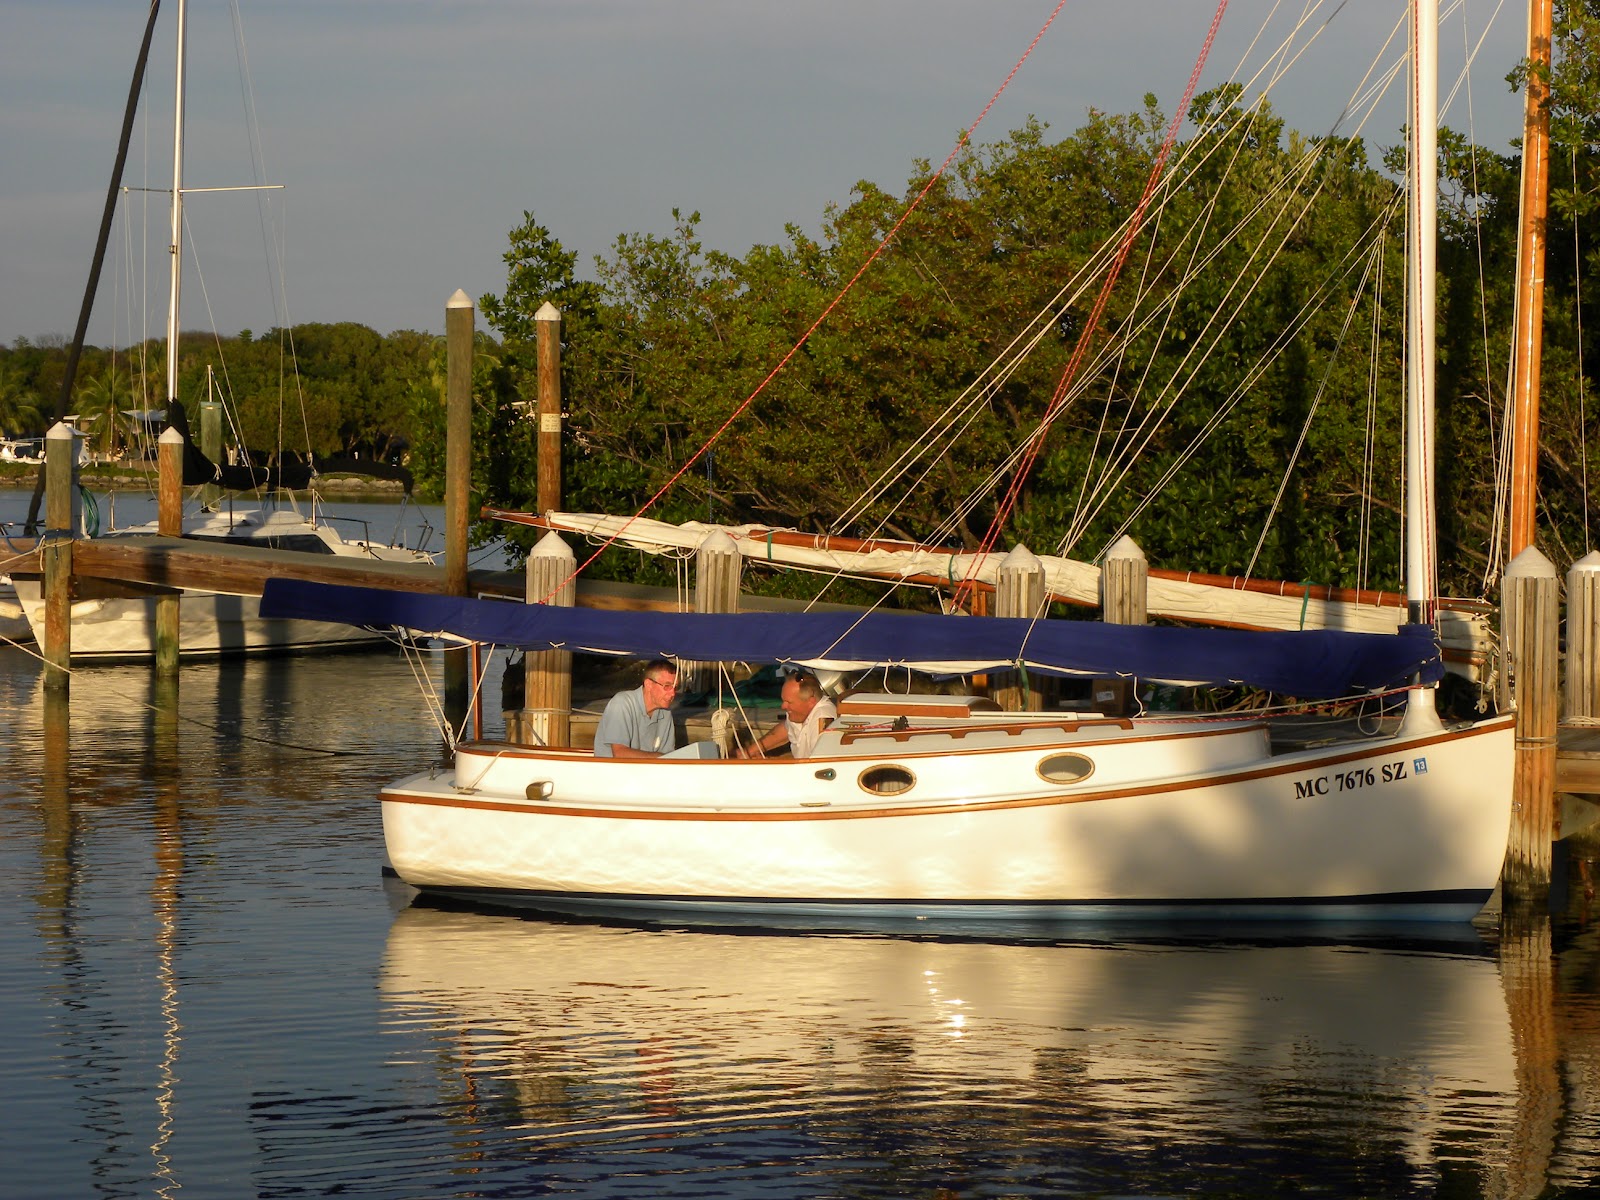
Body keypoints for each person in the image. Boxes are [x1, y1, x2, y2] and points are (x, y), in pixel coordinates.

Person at [737, 671, 837, 759]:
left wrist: (769, 762)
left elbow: (817, 764)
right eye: (783, 700)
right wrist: (749, 752)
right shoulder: (798, 715)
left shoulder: (823, 718)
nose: (783, 706)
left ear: (810, 701)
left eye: (789, 702)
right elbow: (785, 730)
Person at [593, 660, 679, 758]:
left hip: (644, 771)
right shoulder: (622, 703)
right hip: (611, 772)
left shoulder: (666, 712)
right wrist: (660, 758)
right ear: (648, 685)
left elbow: (668, 756)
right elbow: (620, 754)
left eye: (675, 687)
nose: (673, 693)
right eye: (667, 686)